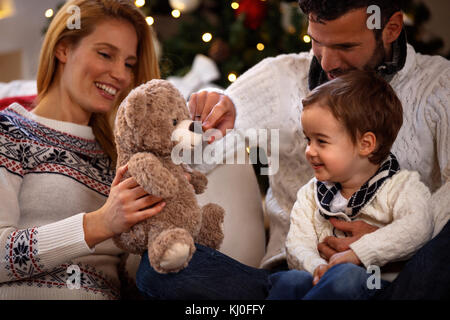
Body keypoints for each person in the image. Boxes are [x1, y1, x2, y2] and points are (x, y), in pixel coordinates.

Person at [136, 0, 450, 299]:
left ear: (392, 27)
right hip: (293, 279)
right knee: (158, 266)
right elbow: (193, 163)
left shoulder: (440, 86)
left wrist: (384, 242)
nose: (327, 62)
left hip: (401, 281)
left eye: (345, 46)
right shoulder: (279, 78)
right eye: (317, 41)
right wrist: (202, 125)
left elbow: (426, 218)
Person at [0, 0, 167, 299]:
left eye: (129, 64)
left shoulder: (119, 158)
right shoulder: (9, 131)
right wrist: (99, 223)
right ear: (63, 49)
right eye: (105, 54)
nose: (121, 74)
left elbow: (132, 279)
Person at [267, 70, 433, 300]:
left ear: (365, 144)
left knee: (347, 276)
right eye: (308, 139)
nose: (309, 151)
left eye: (321, 141)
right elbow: (297, 243)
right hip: (319, 279)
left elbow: (419, 226)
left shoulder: (402, 187)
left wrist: (359, 253)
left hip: (376, 284)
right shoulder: (310, 194)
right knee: (289, 279)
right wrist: (317, 266)